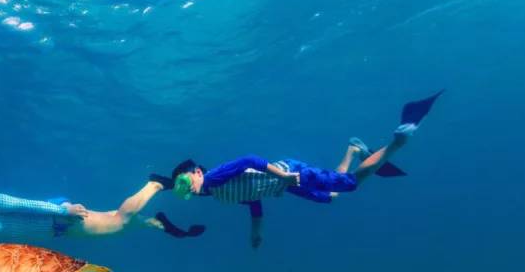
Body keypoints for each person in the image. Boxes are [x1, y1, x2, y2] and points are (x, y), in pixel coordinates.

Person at [158, 90, 443, 249]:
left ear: (196, 172)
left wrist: (282, 175)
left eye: (185, 181)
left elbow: (248, 160)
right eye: (184, 191)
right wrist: (255, 232)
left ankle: (398, 141)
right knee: (332, 196)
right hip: (288, 186)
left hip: (291, 174)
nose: (189, 190)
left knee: (350, 184)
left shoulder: (214, 176)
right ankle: (353, 149)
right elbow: (253, 202)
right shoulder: (218, 195)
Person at [0, 155, 205, 243]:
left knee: (119, 221)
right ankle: (159, 225)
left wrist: (62, 210)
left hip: (57, 219)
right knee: (113, 221)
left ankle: (155, 185)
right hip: (54, 223)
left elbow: (19, 204)